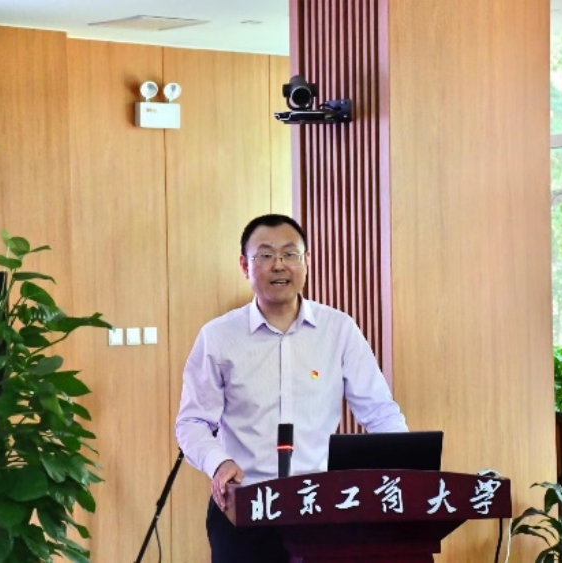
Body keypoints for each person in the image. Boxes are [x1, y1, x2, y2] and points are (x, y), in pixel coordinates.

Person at [175, 214, 408, 563]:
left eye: (289, 254)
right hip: (244, 507)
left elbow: (379, 411)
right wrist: (219, 463)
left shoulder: (338, 330)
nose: (279, 265)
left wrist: (408, 464)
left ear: (307, 261)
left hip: (320, 508)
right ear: (245, 265)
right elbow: (192, 422)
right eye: (266, 255)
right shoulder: (218, 337)